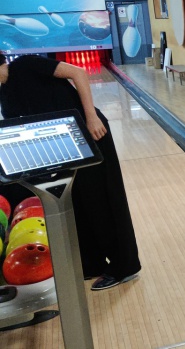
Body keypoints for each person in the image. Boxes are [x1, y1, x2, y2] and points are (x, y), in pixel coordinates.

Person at [0, 52, 142, 291]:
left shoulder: (25, 65)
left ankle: (124, 266)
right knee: (77, 205)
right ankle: (93, 263)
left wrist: (91, 117)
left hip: (89, 134)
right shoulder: (4, 93)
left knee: (102, 201)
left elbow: (78, 73)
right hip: (62, 149)